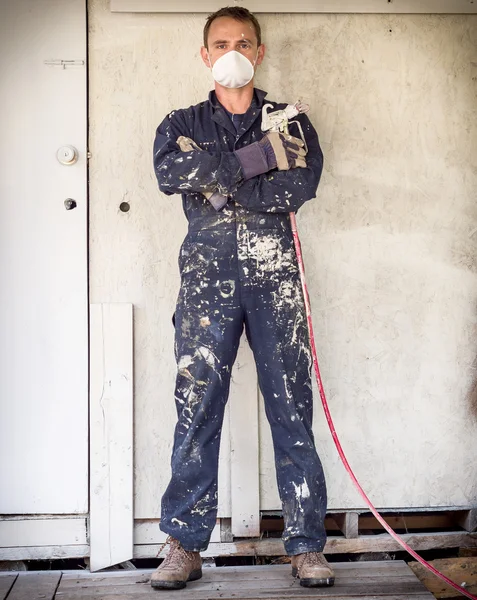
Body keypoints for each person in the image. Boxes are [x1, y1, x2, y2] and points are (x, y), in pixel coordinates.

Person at [151, 6, 334, 591]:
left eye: (243, 42)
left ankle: (306, 547)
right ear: (206, 55)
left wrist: (220, 183)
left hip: (275, 280)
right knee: (197, 407)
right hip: (206, 282)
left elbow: (299, 183)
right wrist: (253, 161)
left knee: (292, 408)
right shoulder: (179, 121)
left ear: (258, 52)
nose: (233, 50)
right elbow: (172, 173)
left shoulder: (291, 120)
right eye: (221, 42)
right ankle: (183, 545)